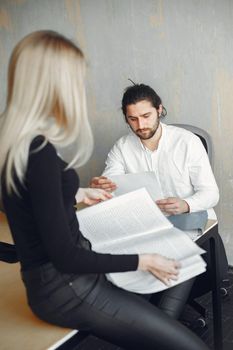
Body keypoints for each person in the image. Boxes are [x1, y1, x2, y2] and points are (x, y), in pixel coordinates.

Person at [0, 31, 209, 350]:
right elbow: (65, 256)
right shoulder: (38, 150)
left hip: (53, 280)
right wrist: (143, 260)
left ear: (160, 110)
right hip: (68, 285)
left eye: (146, 115)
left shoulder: (13, 139)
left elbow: (30, 198)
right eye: (74, 80)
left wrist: (78, 194)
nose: (79, 91)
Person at [90, 83, 228, 296]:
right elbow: (111, 182)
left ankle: (164, 322)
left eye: (146, 116)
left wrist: (186, 204)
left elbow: (211, 194)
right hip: (146, 224)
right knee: (108, 252)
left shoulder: (187, 142)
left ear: (160, 110)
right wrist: (102, 187)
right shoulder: (122, 147)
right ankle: (142, 315)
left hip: (188, 221)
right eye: (132, 119)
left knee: (173, 257)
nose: (141, 125)